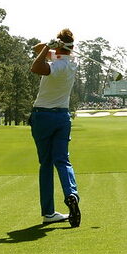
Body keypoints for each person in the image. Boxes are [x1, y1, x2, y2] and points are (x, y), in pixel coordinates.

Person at [30, 28, 81, 227]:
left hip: (43, 116)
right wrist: (52, 46)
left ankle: (49, 213)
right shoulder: (72, 64)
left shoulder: (56, 66)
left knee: (46, 164)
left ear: (59, 47)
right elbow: (38, 48)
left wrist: (49, 47)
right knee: (62, 160)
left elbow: (36, 67)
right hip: (62, 117)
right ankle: (71, 194)